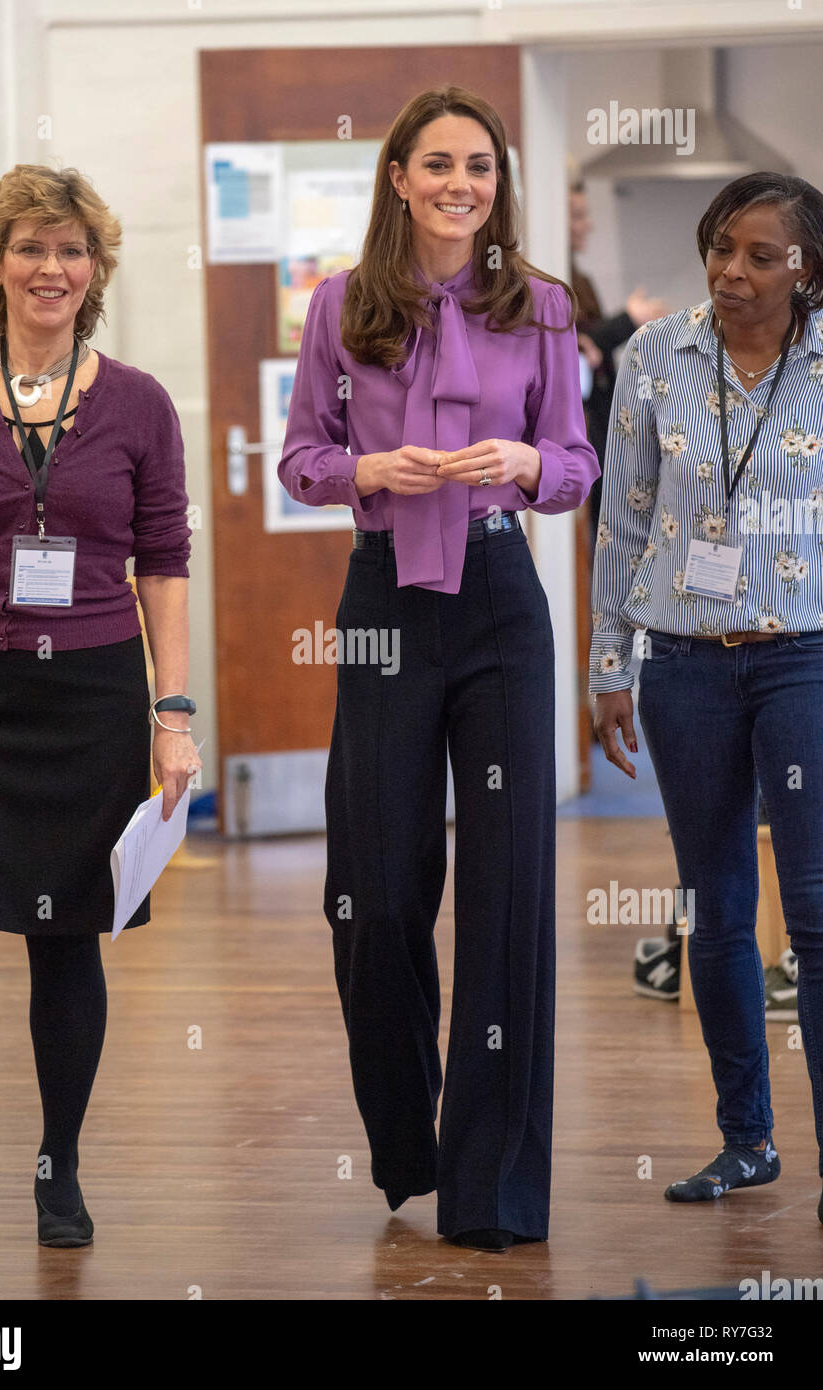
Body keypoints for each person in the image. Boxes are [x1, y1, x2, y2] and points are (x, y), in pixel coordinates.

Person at [279, 85, 599, 1250]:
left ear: (495, 182)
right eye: (438, 165)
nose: (461, 183)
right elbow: (301, 458)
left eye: (479, 165)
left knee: (508, 895)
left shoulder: (546, 308)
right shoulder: (339, 306)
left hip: (501, 599)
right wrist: (369, 473)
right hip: (380, 603)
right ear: (400, 179)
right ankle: (404, 1139)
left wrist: (524, 459)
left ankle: (495, 1189)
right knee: (372, 887)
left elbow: (575, 462)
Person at [0, 164, 202, 1270]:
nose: (49, 269)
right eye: (29, 248)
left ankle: (58, 1166)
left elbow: (163, 564)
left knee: (68, 941)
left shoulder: (142, 403)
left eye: (69, 251)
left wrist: (174, 711)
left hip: (93, 693)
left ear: (94, 269)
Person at [590, 171, 823, 1220]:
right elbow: (623, 519)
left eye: (759, 255)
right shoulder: (651, 356)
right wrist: (607, 664)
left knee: (813, 913)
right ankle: (744, 1140)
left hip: (803, 657)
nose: (731, 271)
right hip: (683, 663)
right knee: (713, 909)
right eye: (720, 247)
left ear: (802, 268)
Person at [568, 177, 667, 540]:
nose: (588, 225)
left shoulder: (581, 280)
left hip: (600, 419)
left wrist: (594, 342)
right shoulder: (556, 284)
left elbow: (587, 347)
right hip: (584, 423)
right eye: (577, 216)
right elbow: (574, 351)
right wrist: (627, 320)